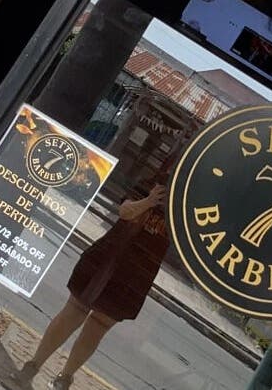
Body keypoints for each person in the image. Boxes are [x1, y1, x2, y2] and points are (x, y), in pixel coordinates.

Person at [11, 164, 173, 390]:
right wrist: (149, 200)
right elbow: (125, 211)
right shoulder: (155, 182)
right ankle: (34, 365)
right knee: (72, 313)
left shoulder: (189, 210)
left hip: (136, 275)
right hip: (108, 258)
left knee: (96, 329)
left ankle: (65, 378)